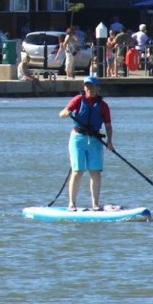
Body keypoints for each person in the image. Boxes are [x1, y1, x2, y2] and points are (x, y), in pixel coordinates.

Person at [58, 76, 112, 211]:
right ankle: (72, 204)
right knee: (78, 171)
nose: (88, 88)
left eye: (91, 86)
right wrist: (65, 112)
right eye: (86, 86)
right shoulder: (78, 100)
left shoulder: (103, 106)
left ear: (97, 88)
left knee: (95, 172)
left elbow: (108, 126)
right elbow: (63, 113)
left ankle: (95, 204)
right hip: (78, 138)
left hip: (95, 139)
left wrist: (110, 141)